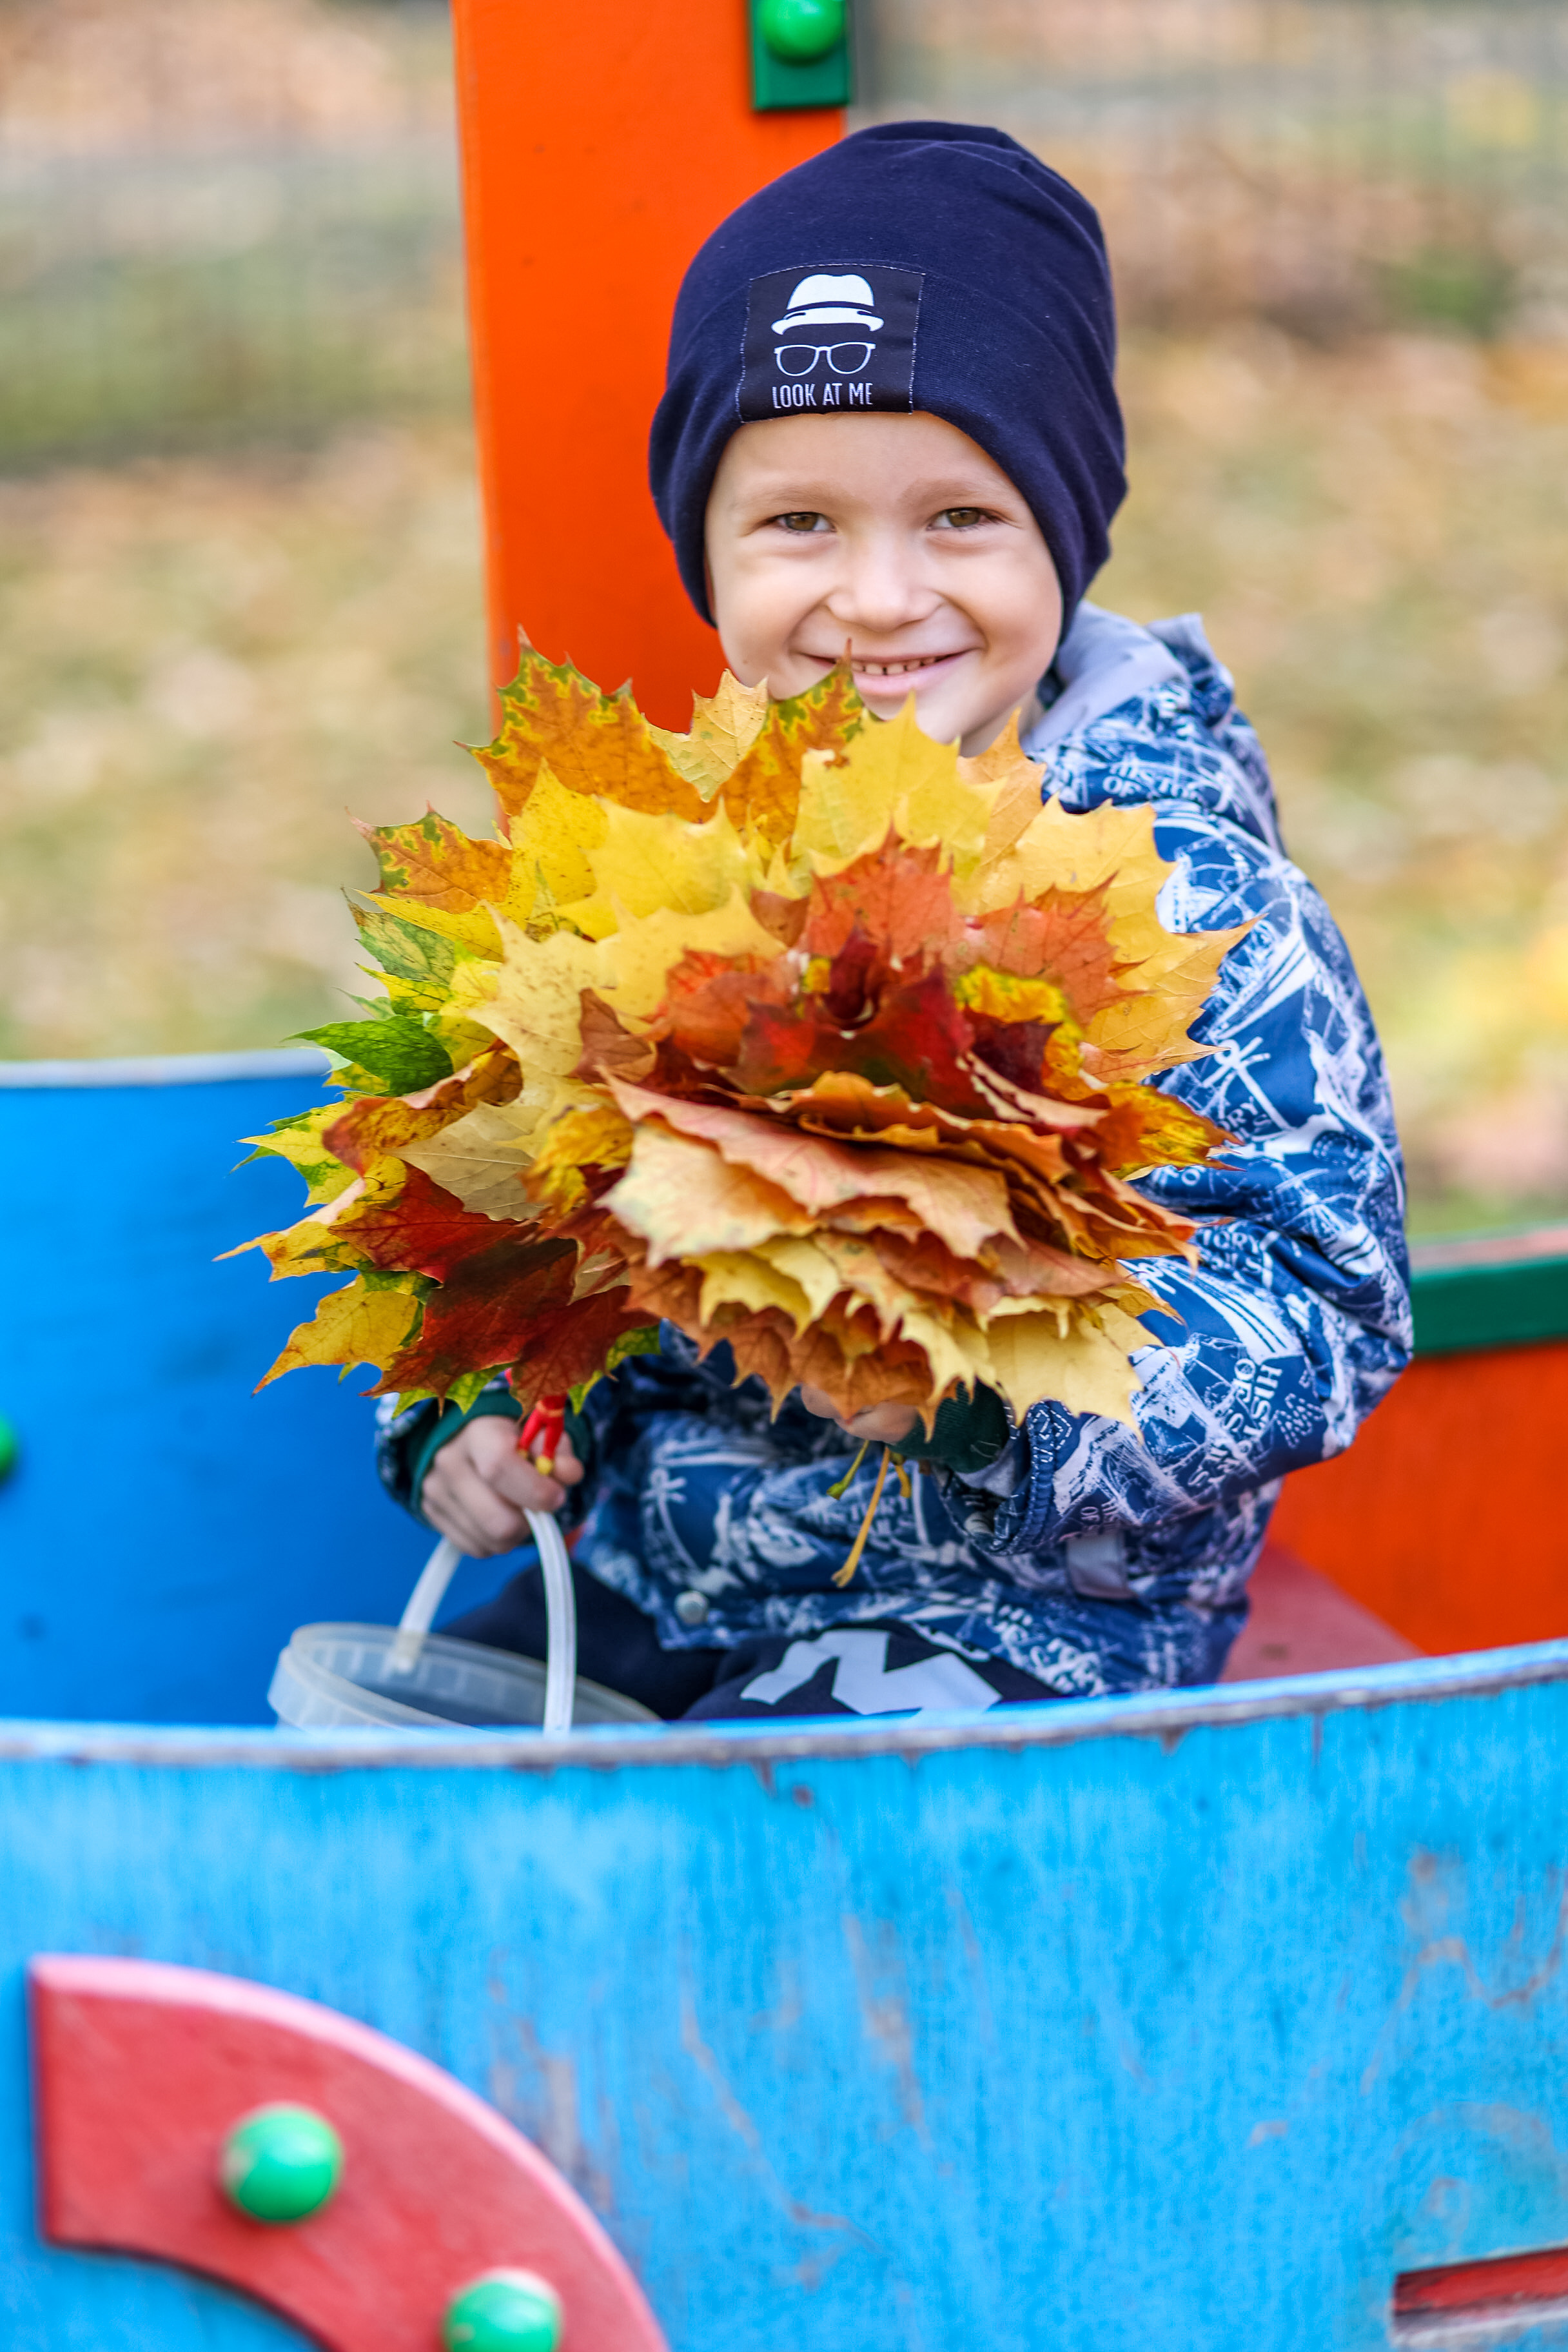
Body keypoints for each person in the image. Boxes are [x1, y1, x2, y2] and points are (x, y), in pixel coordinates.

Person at [376, 122, 1410, 1722]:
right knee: (418, 1796)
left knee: (760, 1825)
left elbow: (1322, 1293)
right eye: (799, 525)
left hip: (1023, 1616)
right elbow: (521, 1211)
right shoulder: (668, 881)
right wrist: (476, 1416)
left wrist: (999, 1398)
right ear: (706, 552)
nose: (874, 598)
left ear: (1059, 533)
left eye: (957, 521)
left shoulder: (1183, 901)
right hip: (667, 1572)